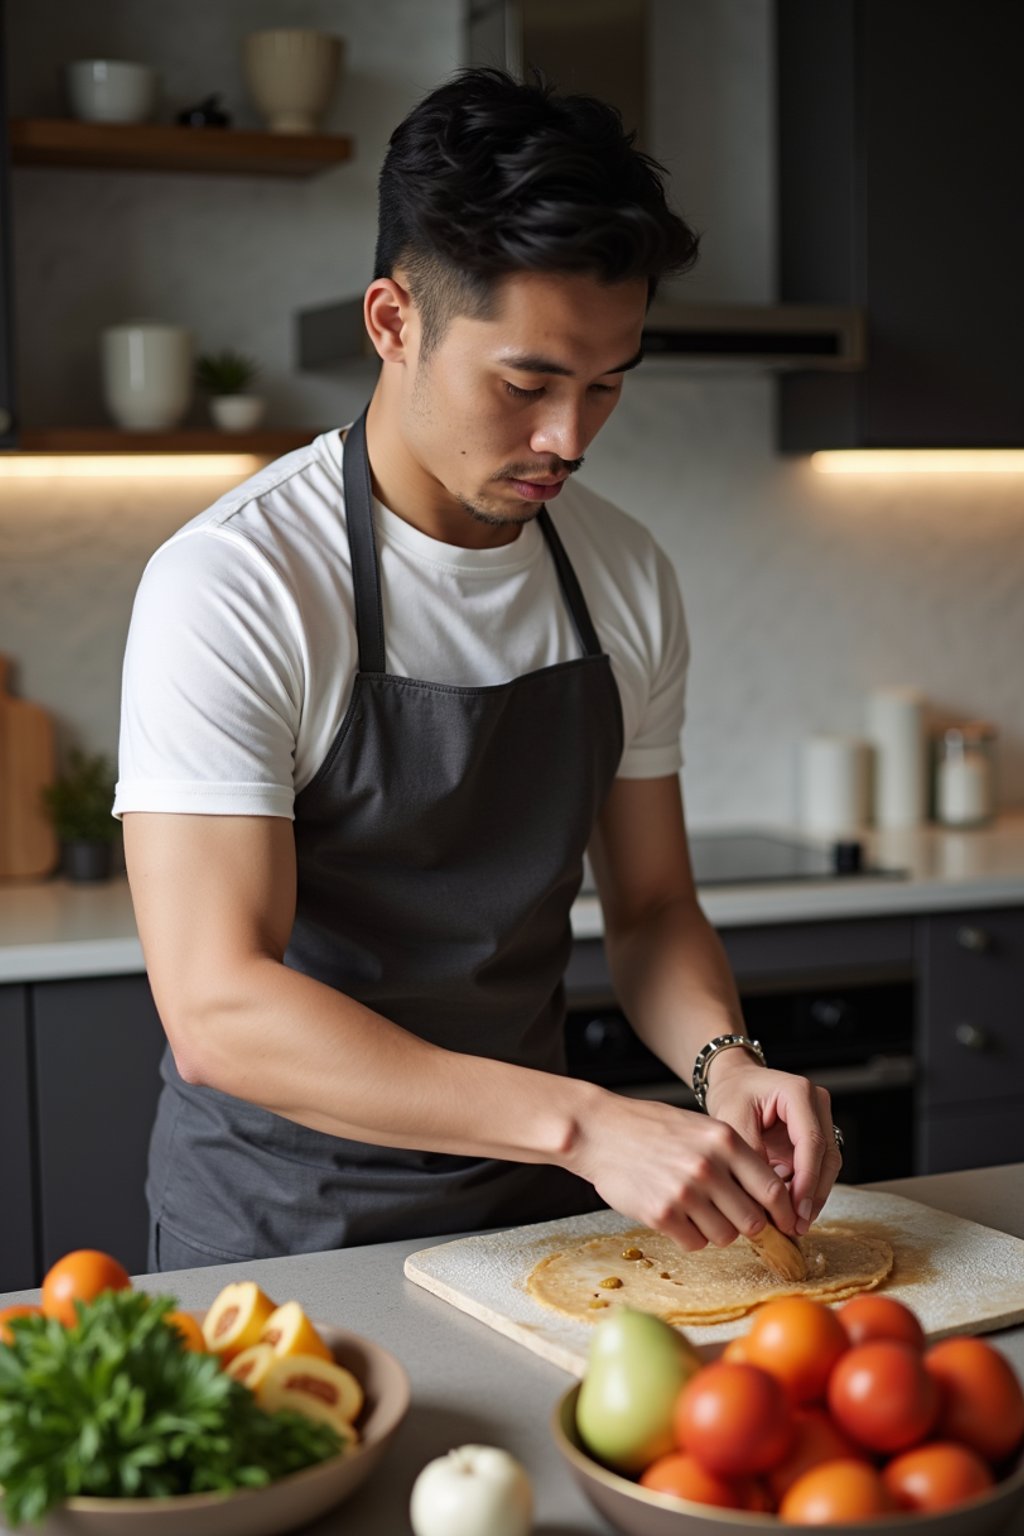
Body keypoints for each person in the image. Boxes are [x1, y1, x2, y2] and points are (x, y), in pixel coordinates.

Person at [116, 68, 842, 1272]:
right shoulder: (238, 585)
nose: (569, 438)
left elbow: (653, 907)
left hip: (532, 1213)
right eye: (526, 384)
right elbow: (219, 1012)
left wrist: (726, 1064)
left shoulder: (623, 577)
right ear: (393, 322)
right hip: (281, 1225)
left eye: (606, 384)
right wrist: (585, 1121)